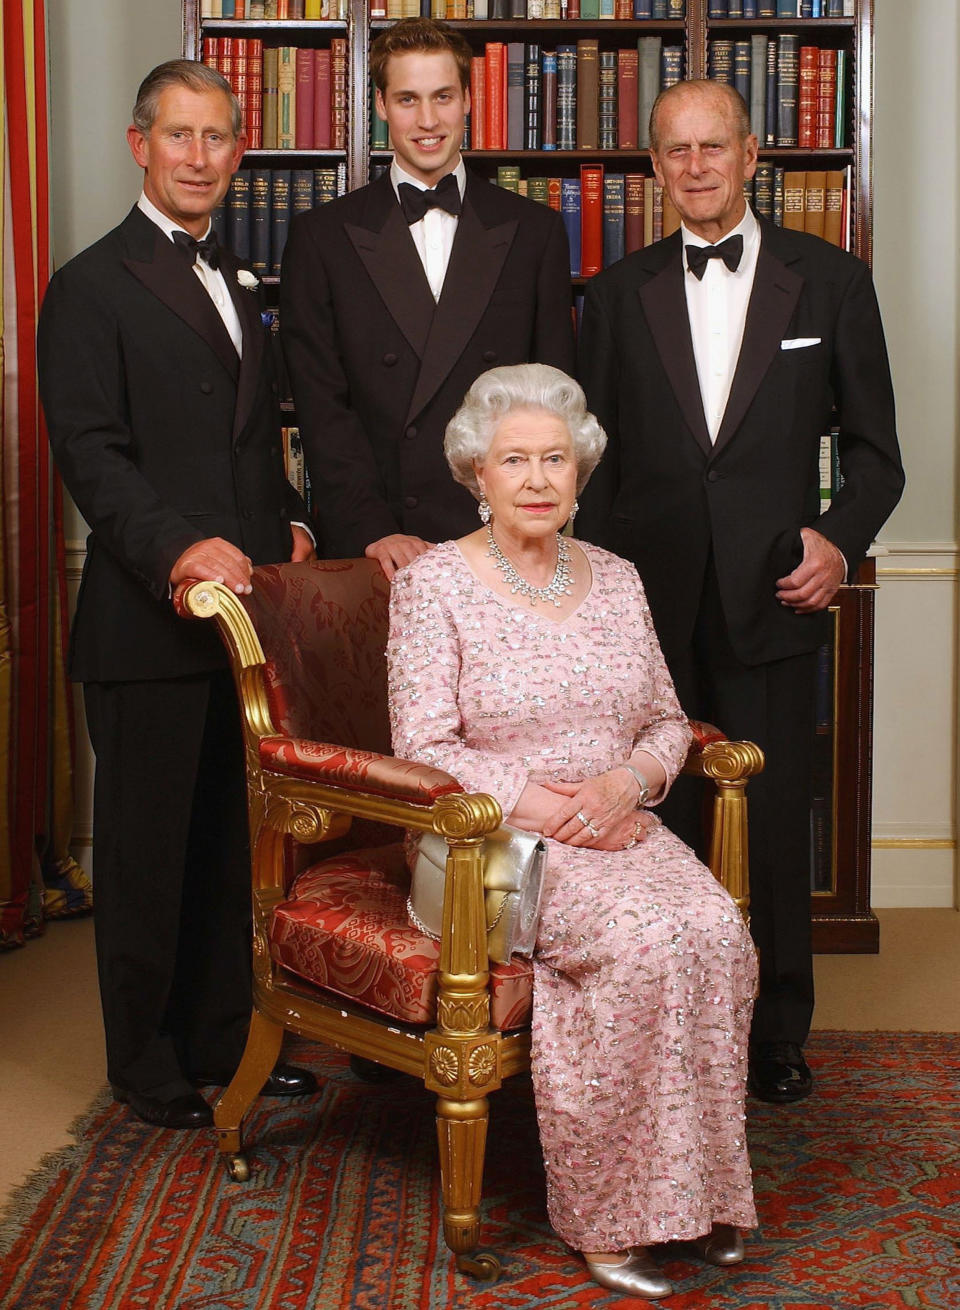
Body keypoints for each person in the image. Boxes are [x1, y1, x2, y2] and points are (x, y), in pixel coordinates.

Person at [387, 364, 757, 1300]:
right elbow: (421, 743)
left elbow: (668, 722)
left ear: (581, 471)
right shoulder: (434, 585)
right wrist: (553, 811)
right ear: (478, 472)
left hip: (619, 822)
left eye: (556, 458)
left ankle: (701, 1197)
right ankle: (611, 1217)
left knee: (715, 931)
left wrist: (626, 783)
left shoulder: (621, 580)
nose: (539, 478)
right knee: (639, 948)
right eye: (516, 460)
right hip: (492, 845)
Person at [577, 79, 904, 1105]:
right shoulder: (618, 290)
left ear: (754, 155)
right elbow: (591, 463)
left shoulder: (834, 282)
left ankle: (775, 1038)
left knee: (769, 822)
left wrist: (839, 541)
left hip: (777, 598)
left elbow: (877, 457)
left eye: (715, 146)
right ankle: (667, 1032)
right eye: (676, 151)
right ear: (655, 167)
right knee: (652, 827)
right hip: (648, 609)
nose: (697, 166)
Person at [37, 61, 317, 1130]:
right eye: (180, 136)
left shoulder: (238, 282)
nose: (199, 156)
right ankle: (146, 1061)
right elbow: (94, 455)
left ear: (239, 153)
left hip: (241, 625)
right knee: (150, 855)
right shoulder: (90, 284)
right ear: (139, 143)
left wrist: (290, 517)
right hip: (146, 624)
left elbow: (252, 441)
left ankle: (219, 1039)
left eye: (218, 138)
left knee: (224, 854)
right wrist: (181, 550)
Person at [280, 17, 575, 578]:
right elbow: (322, 407)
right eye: (408, 99)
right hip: (382, 543)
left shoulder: (535, 231)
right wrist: (372, 529)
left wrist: (523, 520)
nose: (427, 120)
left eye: (443, 96)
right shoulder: (321, 237)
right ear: (381, 106)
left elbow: (551, 405)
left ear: (468, 100)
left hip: (506, 536)